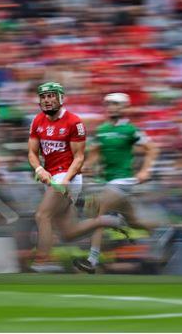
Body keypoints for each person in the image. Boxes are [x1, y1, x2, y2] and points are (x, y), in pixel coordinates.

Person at [28, 82, 125, 272]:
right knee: (68, 233)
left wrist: (66, 179)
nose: (47, 100)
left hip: (68, 177)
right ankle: (109, 221)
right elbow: (32, 152)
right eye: (43, 97)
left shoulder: (74, 122)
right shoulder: (37, 121)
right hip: (50, 176)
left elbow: (79, 157)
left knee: (42, 215)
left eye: (51, 96)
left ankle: (43, 262)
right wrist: (39, 169)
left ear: (61, 98)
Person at [73, 92, 160, 274]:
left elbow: (152, 149)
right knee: (134, 222)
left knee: (98, 210)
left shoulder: (130, 130)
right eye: (108, 104)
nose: (111, 107)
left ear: (123, 107)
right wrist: (87, 166)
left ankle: (92, 260)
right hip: (107, 181)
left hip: (124, 180)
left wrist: (145, 170)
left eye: (115, 104)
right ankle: (161, 230)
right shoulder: (102, 130)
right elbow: (94, 155)